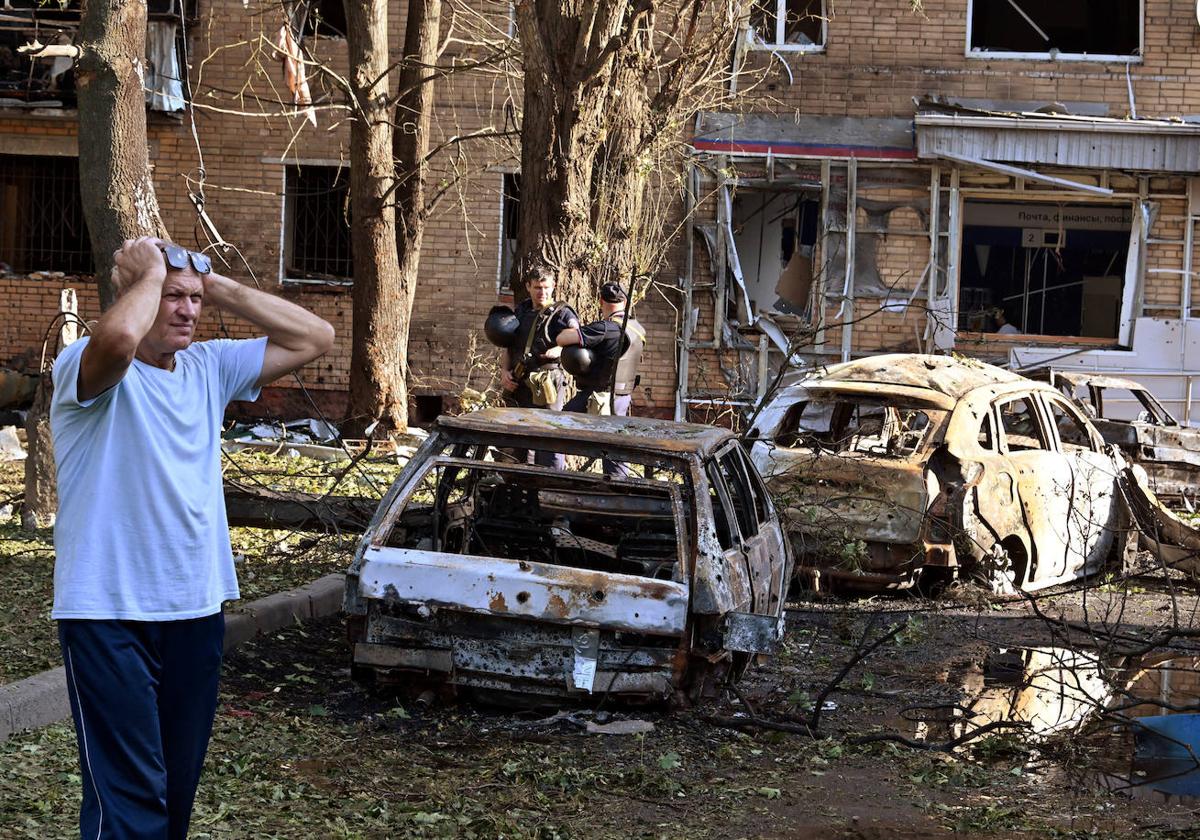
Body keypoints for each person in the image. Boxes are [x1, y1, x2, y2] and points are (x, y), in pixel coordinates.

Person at [50, 236, 334, 839]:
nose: (186, 310)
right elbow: (121, 340)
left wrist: (217, 285)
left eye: (193, 300)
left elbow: (316, 337)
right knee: (127, 801)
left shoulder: (208, 367)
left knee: (175, 797)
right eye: (171, 297)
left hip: (194, 610)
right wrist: (152, 274)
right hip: (108, 615)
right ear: (137, 293)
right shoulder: (84, 366)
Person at [557, 281, 645, 476]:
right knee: (614, 444)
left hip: (597, 398)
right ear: (625, 301)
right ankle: (618, 485)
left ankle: (553, 476)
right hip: (623, 397)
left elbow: (562, 339)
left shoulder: (605, 328)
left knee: (557, 430)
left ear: (601, 301)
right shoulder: (637, 328)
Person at [499, 265, 578, 467]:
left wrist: (560, 350)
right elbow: (508, 345)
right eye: (537, 287)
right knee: (517, 437)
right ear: (528, 287)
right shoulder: (522, 310)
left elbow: (578, 336)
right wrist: (504, 372)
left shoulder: (562, 312)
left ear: (553, 287)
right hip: (519, 381)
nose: (542, 292)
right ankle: (520, 480)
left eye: (546, 287)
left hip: (547, 382)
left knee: (548, 434)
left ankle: (551, 481)